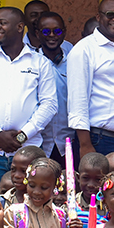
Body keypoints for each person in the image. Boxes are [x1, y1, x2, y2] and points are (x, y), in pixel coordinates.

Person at [0, 7, 57, 197]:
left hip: (28, 150)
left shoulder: (40, 63)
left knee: (31, 203)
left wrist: (22, 136)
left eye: (2, 23)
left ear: (19, 27)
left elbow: (49, 104)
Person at [68, 0, 114, 158]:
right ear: (99, 17)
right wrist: (85, 145)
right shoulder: (84, 50)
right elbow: (78, 101)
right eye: (110, 14)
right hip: (100, 140)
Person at [35, 12, 73, 160]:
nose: (52, 35)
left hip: (68, 143)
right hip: (38, 142)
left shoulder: (74, 63)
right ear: (38, 34)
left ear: (64, 32)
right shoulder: (30, 63)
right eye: (46, 31)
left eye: (57, 31)